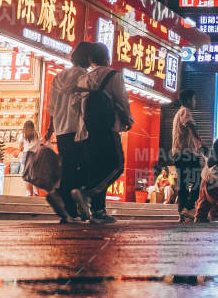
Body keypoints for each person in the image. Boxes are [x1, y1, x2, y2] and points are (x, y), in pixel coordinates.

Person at [70, 41, 132, 224]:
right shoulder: (114, 75)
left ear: (91, 60)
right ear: (107, 58)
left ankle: (99, 211)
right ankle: (87, 193)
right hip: (108, 128)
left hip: (88, 131)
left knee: (98, 169)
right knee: (116, 165)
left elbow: (75, 105)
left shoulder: (83, 78)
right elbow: (122, 99)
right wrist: (128, 119)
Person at [44, 42, 95, 223]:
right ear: (88, 58)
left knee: (68, 166)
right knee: (84, 166)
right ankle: (63, 196)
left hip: (61, 129)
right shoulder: (85, 77)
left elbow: (52, 108)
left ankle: (69, 211)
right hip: (79, 129)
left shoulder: (59, 77)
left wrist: (50, 130)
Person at [170, 89, 203, 223]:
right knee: (198, 181)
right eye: (194, 99)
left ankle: (182, 212)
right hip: (187, 154)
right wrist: (200, 142)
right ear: (188, 100)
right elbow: (190, 125)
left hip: (179, 154)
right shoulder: (185, 111)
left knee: (183, 184)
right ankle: (188, 207)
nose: (195, 102)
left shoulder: (179, 113)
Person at [196, 138, 218, 222]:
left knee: (204, 200)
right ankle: (216, 216)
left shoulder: (211, 152)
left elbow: (203, 150)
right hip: (212, 181)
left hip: (205, 179)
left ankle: (200, 216)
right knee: (216, 199)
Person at [15, 119, 42, 196]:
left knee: (26, 174)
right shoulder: (38, 134)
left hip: (26, 155)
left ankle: (28, 192)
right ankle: (35, 191)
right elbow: (40, 144)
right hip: (36, 155)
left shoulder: (23, 135)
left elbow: (20, 147)